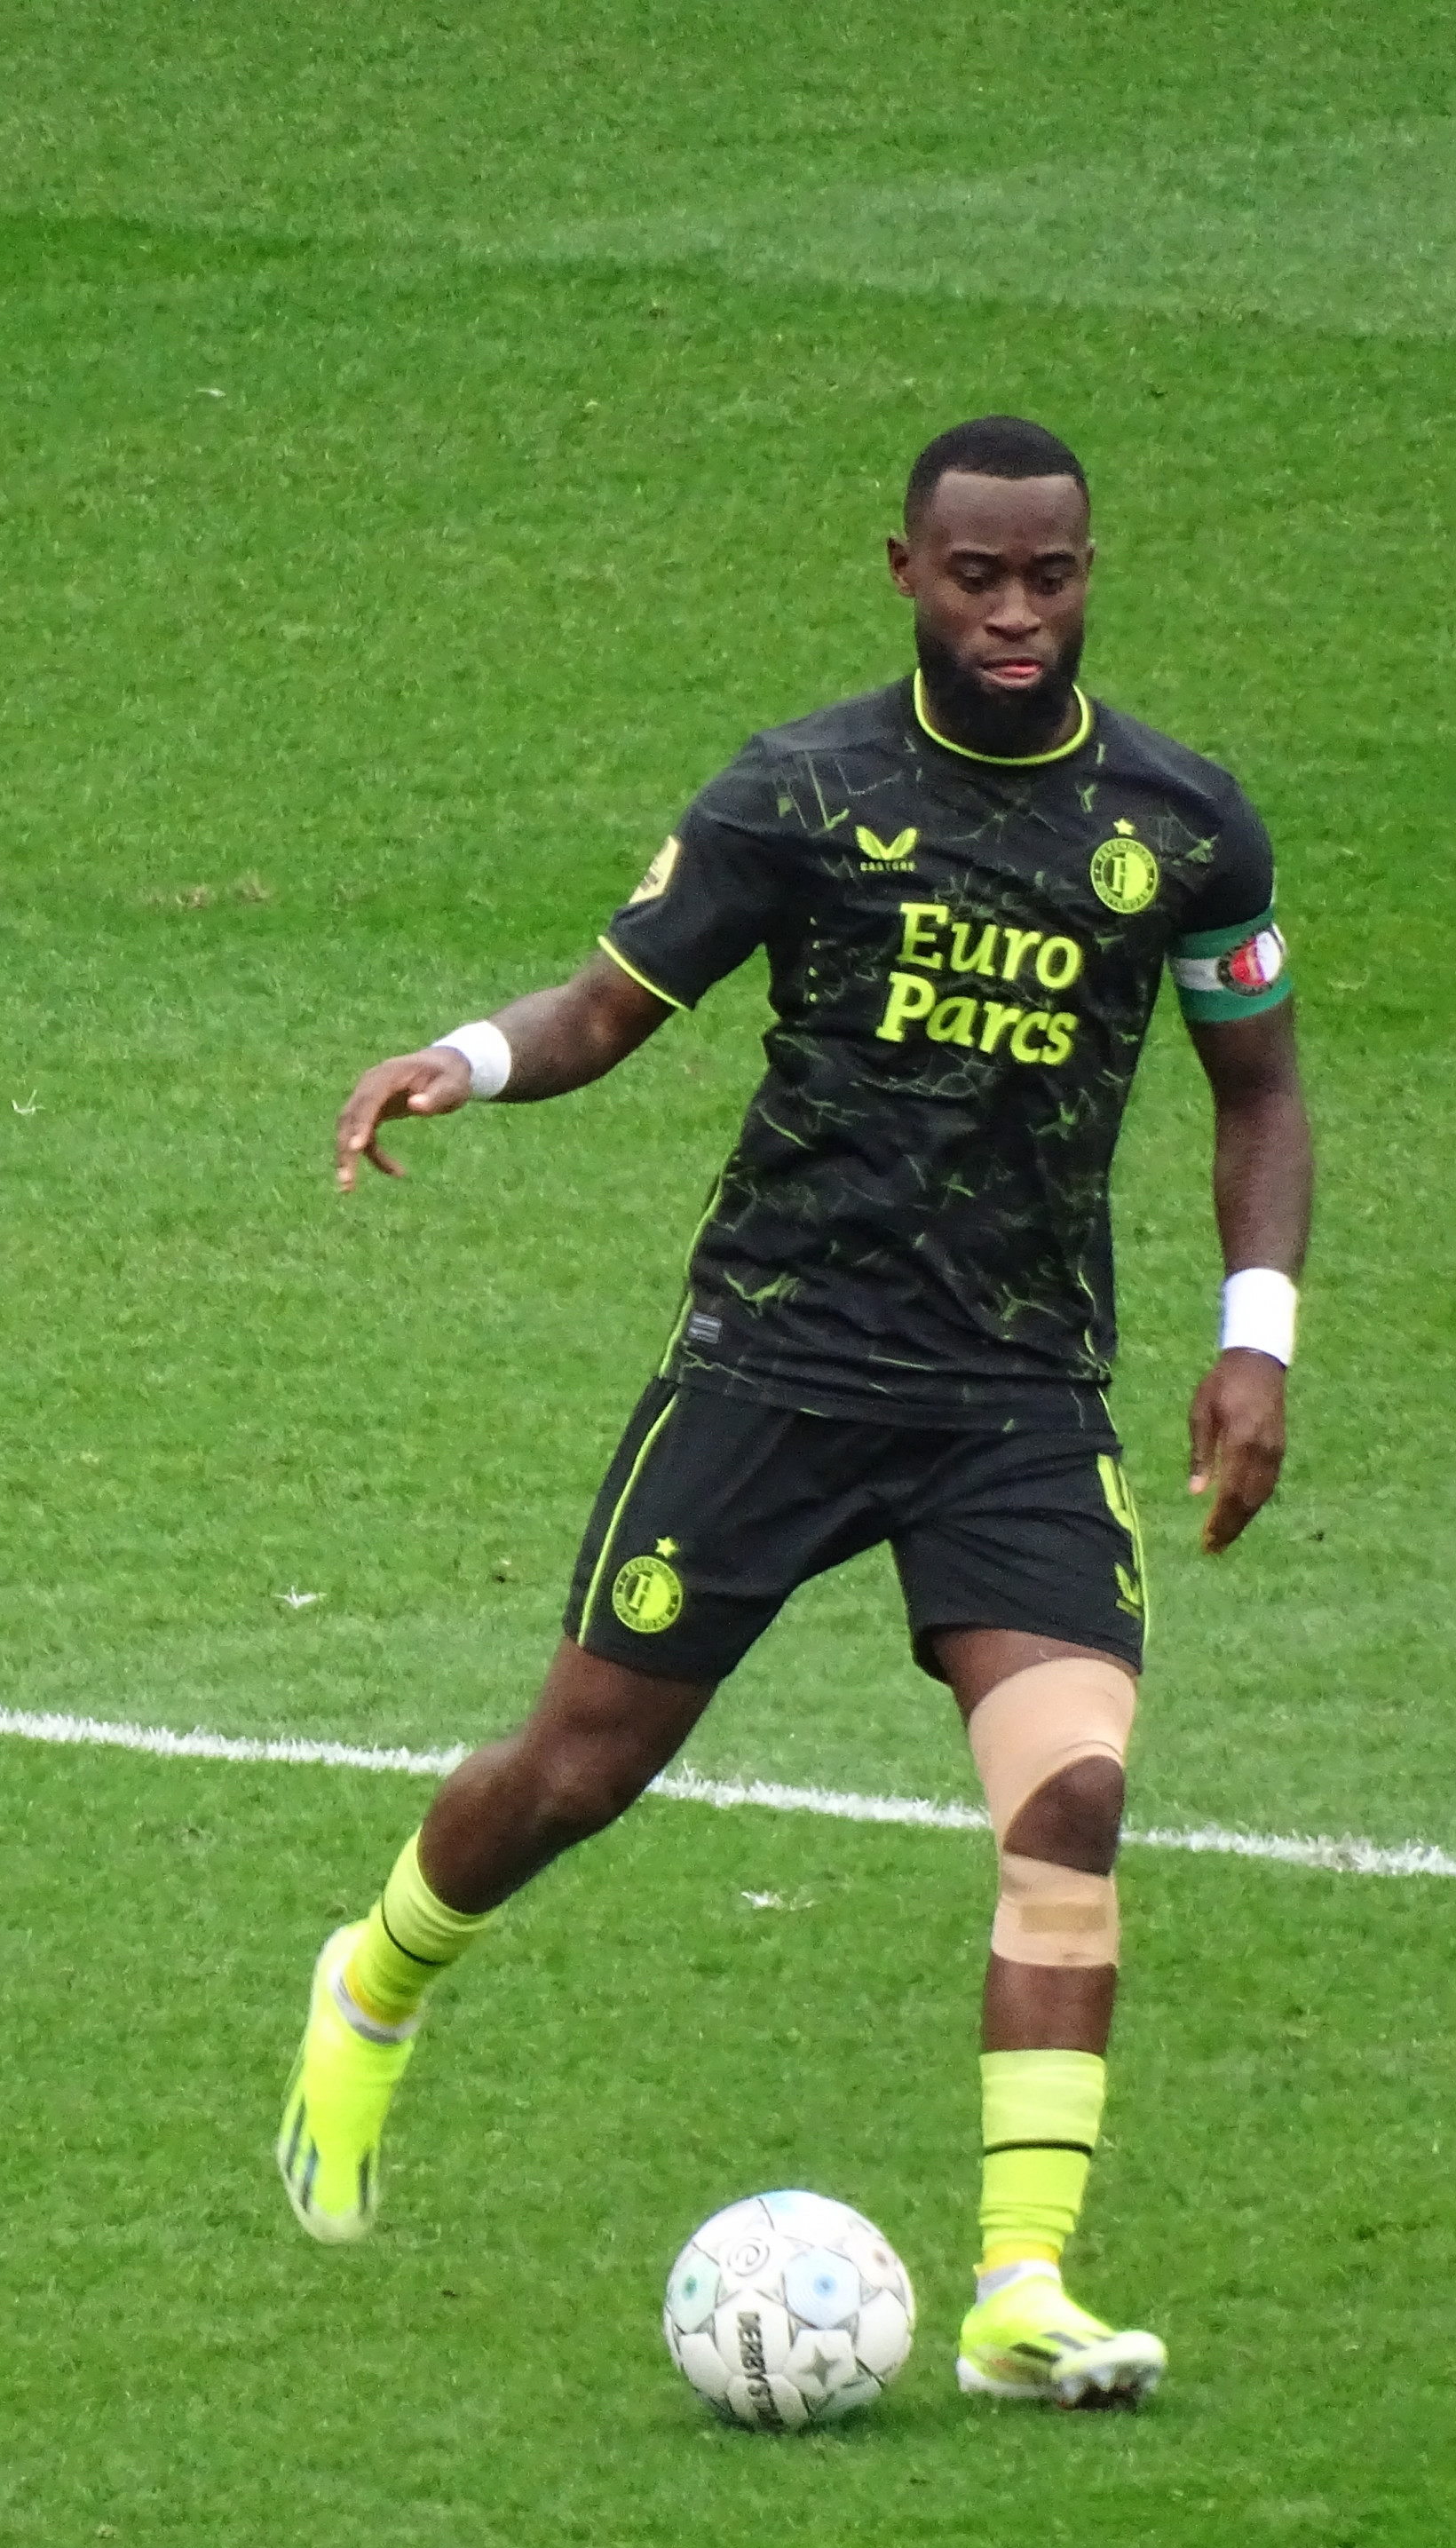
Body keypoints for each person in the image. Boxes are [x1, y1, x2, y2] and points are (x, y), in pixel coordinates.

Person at [275, 416, 1314, 2408]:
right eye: (978, 575)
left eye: (1053, 576)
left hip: (1016, 1391)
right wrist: (464, 1061)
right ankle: (378, 1976)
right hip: (778, 1365)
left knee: (1072, 1804)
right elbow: (607, 1009)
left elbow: (1259, 1088)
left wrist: (1253, 1337)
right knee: (577, 1771)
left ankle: (1021, 2291)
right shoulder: (805, 794)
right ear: (906, 571)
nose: (1017, 612)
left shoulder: (1186, 826)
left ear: (1089, 574)